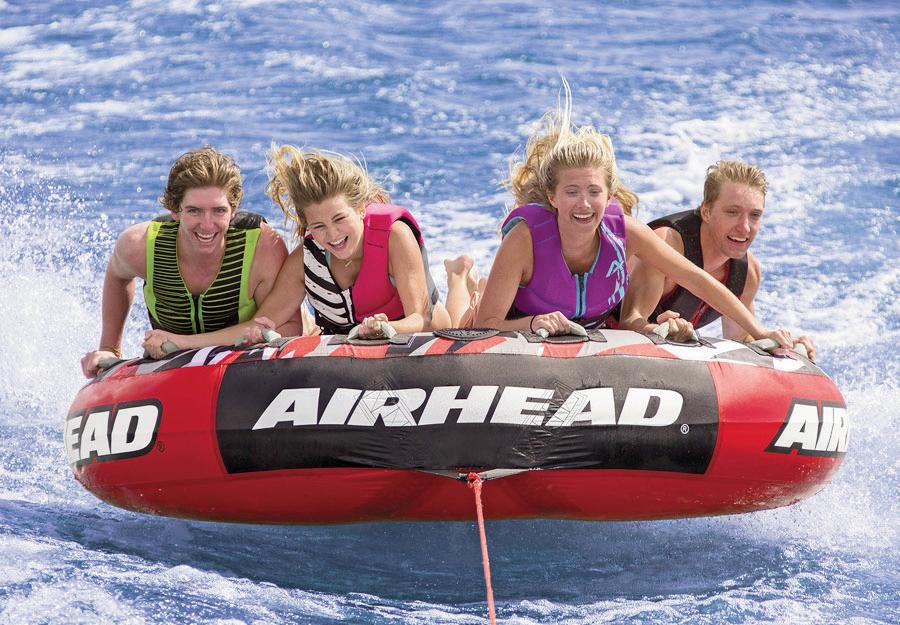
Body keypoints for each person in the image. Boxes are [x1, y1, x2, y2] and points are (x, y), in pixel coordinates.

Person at [474, 85, 795, 351]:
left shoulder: (625, 233)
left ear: (609, 196)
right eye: (572, 192)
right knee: (467, 312)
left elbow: (699, 281)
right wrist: (532, 323)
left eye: (594, 192)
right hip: (518, 333)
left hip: (587, 344)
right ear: (552, 197)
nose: (584, 204)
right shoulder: (526, 240)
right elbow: (484, 325)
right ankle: (465, 282)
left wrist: (761, 331)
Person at [142, 144, 449, 355]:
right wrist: (182, 342)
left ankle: (459, 278)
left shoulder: (394, 236)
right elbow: (261, 323)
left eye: (339, 219)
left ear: (361, 209)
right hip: (352, 347)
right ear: (307, 226)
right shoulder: (306, 259)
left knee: (457, 316)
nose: (333, 235)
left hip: (425, 331)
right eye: (319, 226)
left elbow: (420, 318)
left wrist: (385, 328)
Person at [80, 146, 294, 377]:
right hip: (179, 374)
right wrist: (109, 348)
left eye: (219, 211)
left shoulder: (263, 248)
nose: (207, 225)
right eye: (194, 211)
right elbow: (118, 274)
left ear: (233, 210)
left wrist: (180, 342)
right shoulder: (139, 246)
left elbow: (291, 327)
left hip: (247, 370)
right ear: (175, 210)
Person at [619, 160, 816, 360]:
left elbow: (740, 340)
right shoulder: (668, 243)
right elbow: (627, 323)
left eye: (755, 215)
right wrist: (658, 330)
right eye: (732, 212)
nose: (745, 228)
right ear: (706, 211)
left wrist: (784, 347)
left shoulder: (748, 273)